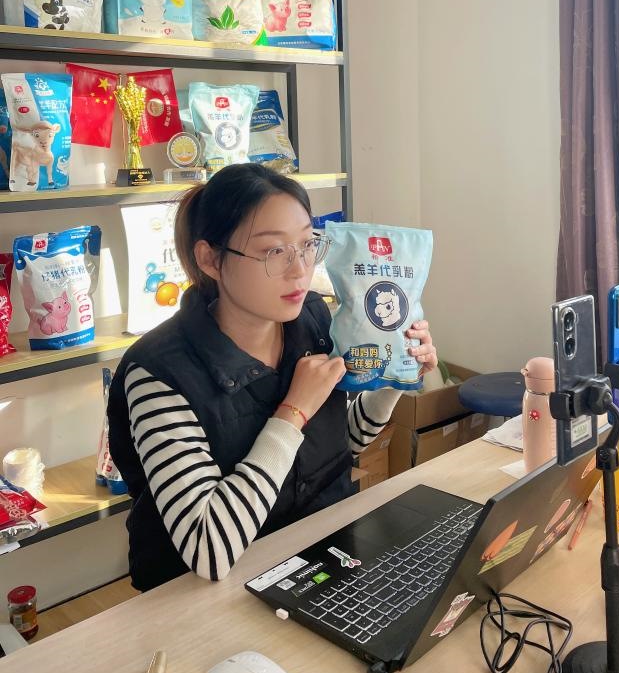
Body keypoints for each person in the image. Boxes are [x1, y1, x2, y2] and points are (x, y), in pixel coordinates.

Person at [107, 163, 437, 591]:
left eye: (307, 244)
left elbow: (343, 442)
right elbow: (208, 549)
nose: (299, 269)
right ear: (210, 259)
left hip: (316, 562)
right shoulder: (157, 373)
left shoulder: (313, 321)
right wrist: (292, 412)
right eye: (273, 251)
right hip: (203, 597)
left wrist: (395, 378)